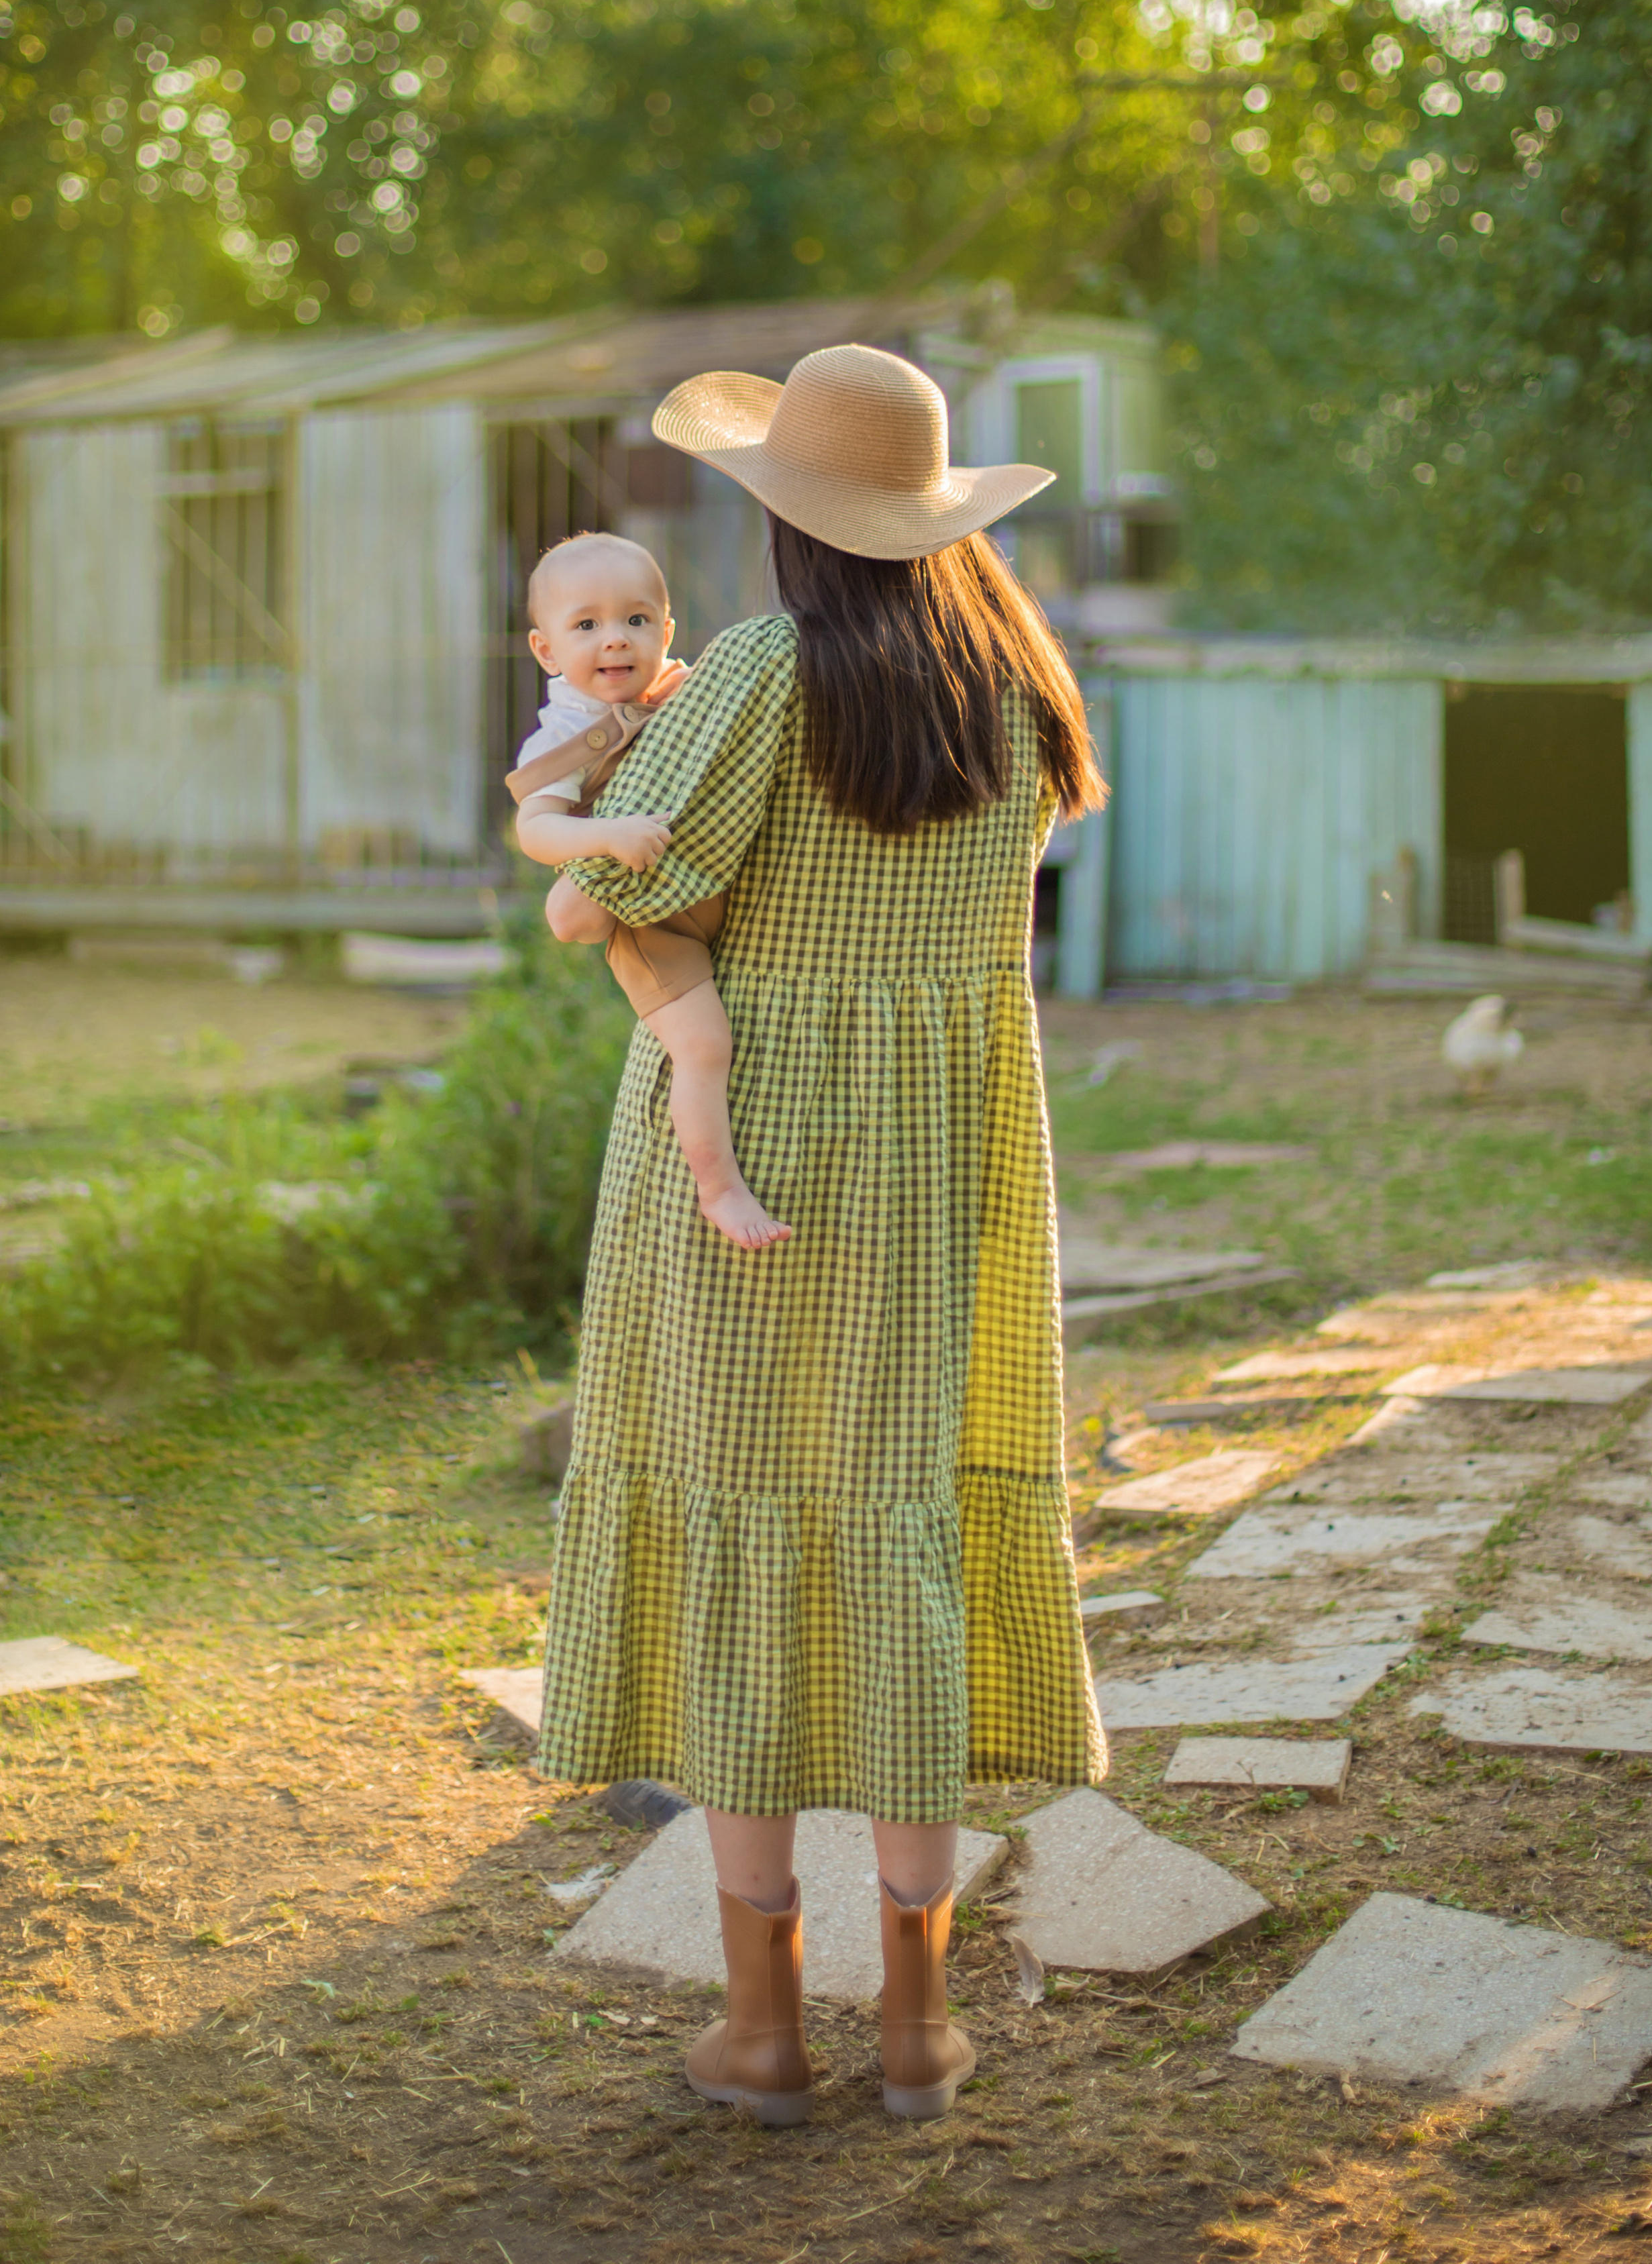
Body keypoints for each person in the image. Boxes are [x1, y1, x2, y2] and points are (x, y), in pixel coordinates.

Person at [536, 344, 1109, 2128]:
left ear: (792, 519)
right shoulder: (1015, 681)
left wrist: (582, 855)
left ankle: (765, 2029)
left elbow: (623, 890)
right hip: (941, 1158)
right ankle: (919, 2027)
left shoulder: (770, 667)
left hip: (760, 1150)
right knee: (897, 1528)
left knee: (752, 1530)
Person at [509, 531, 789, 1251]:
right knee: (704, 1047)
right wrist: (606, 836)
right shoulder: (564, 735)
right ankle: (719, 1189)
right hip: (649, 928)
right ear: (546, 650)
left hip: (718, 891)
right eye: (586, 625)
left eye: (635, 620)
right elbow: (535, 830)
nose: (615, 639)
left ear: (666, 633)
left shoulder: (688, 693)